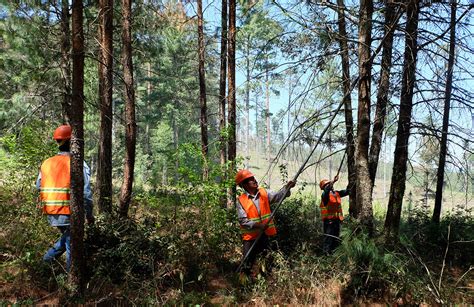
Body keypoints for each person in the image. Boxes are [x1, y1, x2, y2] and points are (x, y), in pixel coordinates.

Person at [36, 124, 94, 271]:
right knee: (72, 247)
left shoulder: (47, 163)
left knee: (68, 239)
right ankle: (69, 281)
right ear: (72, 141)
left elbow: (38, 186)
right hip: (69, 211)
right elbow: (86, 192)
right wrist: (89, 214)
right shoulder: (77, 163)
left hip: (51, 211)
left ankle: (46, 262)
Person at [235, 169, 296, 281]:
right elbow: (243, 221)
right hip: (250, 238)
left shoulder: (264, 193)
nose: (254, 180)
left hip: (265, 235)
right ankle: (243, 286)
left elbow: (279, 196)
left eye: (253, 178)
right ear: (244, 185)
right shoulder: (241, 200)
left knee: (266, 260)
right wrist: (259, 225)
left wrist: (287, 187)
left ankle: (265, 282)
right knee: (247, 262)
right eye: (250, 180)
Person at [319, 175, 349, 254]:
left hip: (336, 220)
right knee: (328, 238)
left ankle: (333, 255)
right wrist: (333, 181)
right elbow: (326, 191)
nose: (330, 186)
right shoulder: (324, 196)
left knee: (336, 239)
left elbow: (347, 191)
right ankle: (326, 255)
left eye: (330, 184)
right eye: (327, 185)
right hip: (329, 222)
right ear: (324, 188)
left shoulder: (336, 193)